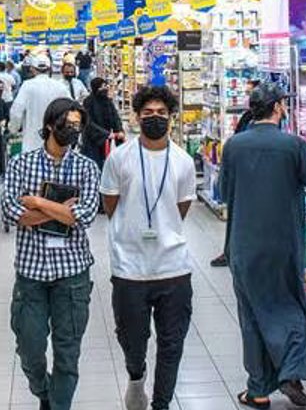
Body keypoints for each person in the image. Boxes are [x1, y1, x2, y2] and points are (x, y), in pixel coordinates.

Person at [220, 82, 306, 409]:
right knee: (289, 306)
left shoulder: (233, 146)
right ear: (277, 108)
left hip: (244, 245)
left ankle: (258, 390)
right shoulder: (293, 146)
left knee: (252, 314)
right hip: (283, 244)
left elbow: (222, 192)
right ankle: (290, 372)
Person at [100, 86, 196, 410]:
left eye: (161, 114)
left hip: (174, 267)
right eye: (148, 114)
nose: (155, 119)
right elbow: (110, 205)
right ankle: (136, 375)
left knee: (172, 344)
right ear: (137, 117)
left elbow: (180, 209)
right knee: (132, 340)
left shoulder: (183, 161)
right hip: (129, 267)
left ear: (171, 118)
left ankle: (161, 404)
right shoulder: (119, 158)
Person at [3, 99, 101, 410]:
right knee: (29, 349)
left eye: (76, 125)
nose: (71, 130)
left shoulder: (87, 167)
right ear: (49, 125)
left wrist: (37, 203)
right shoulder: (22, 163)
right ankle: (43, 391)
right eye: (66, 124)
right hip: (31, 274)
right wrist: (61, 211)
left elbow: (84, 217)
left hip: (72, 274)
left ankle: (58, 405)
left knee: (67, 352)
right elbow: (11, 212)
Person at [211, 78, 261, 268]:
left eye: (250, 94)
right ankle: (231, 252)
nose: (247, 98)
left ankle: (234, 253)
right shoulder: (248, 118)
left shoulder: (250, 120)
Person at [10, 54, 71, 153]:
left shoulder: (27, 86)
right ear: (49, 69)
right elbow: (72, 111)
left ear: (33, 69)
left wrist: (13, 129)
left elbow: (16, 112)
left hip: (31, 145)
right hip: (57, 145)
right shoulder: (60, 87)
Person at [82, 77, 125, 168]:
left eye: (105, 86)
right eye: (102, 87)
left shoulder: (108, 101)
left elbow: (115, 117)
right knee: (94, 165)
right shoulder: (88, 102)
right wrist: (106, 134)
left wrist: (119, 130)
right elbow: (88, 122)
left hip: (106, 141)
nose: (105, 89)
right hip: (92, 141)